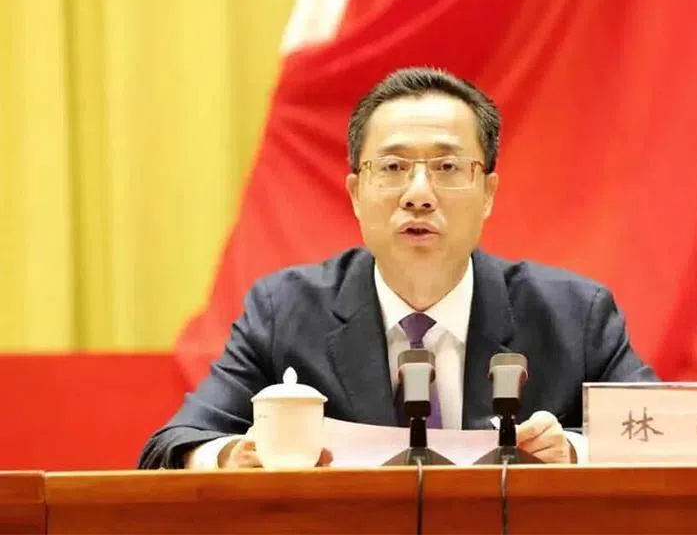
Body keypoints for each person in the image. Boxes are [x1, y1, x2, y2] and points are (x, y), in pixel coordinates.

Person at [139, 67, 657, 470]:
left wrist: (574, 450)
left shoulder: (573, 316)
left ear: (488, 194)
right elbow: (174, 444)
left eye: (448, 167)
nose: (419, 195)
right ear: (356, 193)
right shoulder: (286, 312)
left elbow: (666, 437)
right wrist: (232, 456)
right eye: (392, 167)